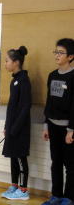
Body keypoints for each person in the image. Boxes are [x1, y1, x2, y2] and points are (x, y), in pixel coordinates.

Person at [42, 38, 74, 205]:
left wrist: (71, 129)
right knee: (56, 163)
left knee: (70, 165)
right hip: (53, 126)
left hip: (68, 129)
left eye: (61, 52)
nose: (57, 55)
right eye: (56, 52)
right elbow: (48, 102)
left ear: (70, 56)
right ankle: (56, 195)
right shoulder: (52, 75)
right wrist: (46, 125)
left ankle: (69, 198)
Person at [1, 46, 31, 200]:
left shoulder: (24, 80)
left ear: (16, 62)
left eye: (7, 61)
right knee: (13, 157)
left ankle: (23, 190)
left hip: (20, 130)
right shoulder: (14, 81)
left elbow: (25, 107)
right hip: (12, 128)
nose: (5, 63)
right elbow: (11, 108)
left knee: (20, 158)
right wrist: (7, 126)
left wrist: (15, 128)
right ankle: (14, 185)